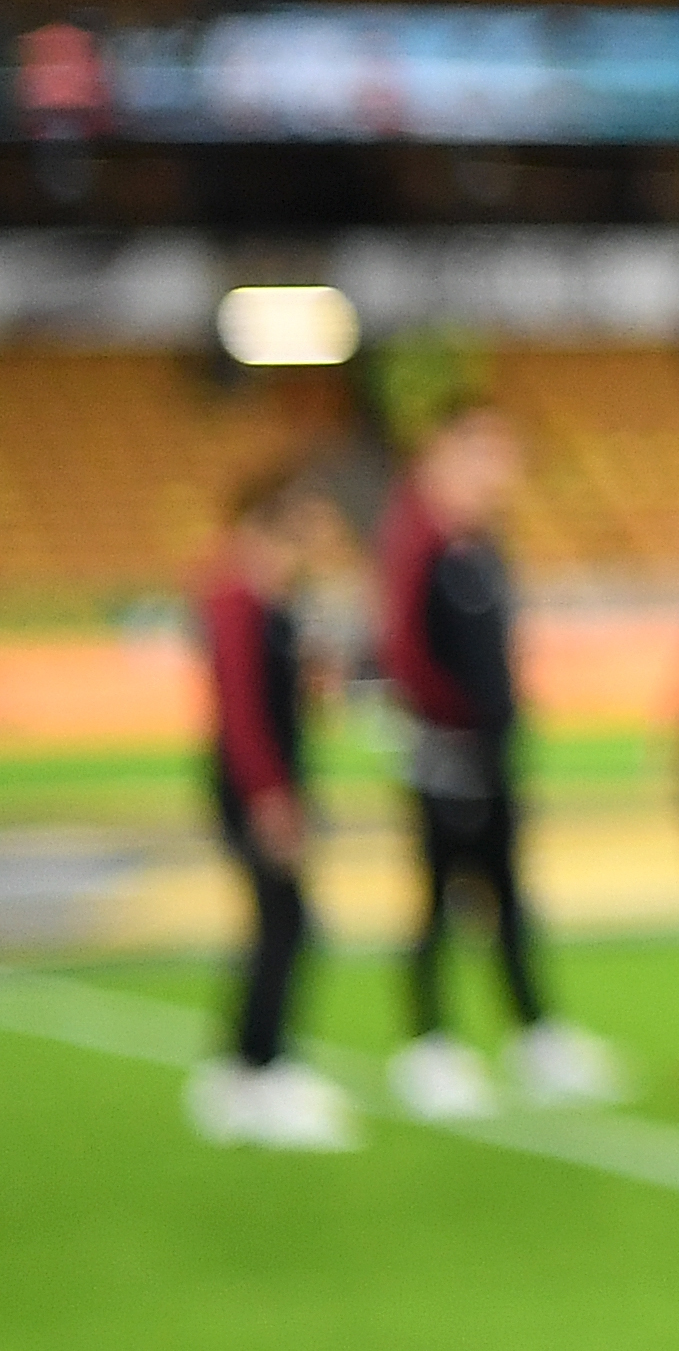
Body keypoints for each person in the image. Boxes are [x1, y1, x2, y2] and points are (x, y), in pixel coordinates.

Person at [376, 397, 625, 1118]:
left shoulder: (483, 541)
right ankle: (429, 1044)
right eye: (488, 450)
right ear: (449, 452)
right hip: (445, 753)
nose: (503, 468)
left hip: (493, 747)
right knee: (438, 898)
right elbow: (407, 654)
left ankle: (535, 1034)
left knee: (509, 895)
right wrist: (447, 731)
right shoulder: (418, 537)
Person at [183, 469, 361, 1152]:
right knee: (287, 925)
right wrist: (268, 796)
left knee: (280, 925)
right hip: (257, 787)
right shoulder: (236, 594)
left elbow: (304, 699)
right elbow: (241, 710)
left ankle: (248, 1069)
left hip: (277, 782)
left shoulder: (278, 598)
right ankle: (260, 1071)